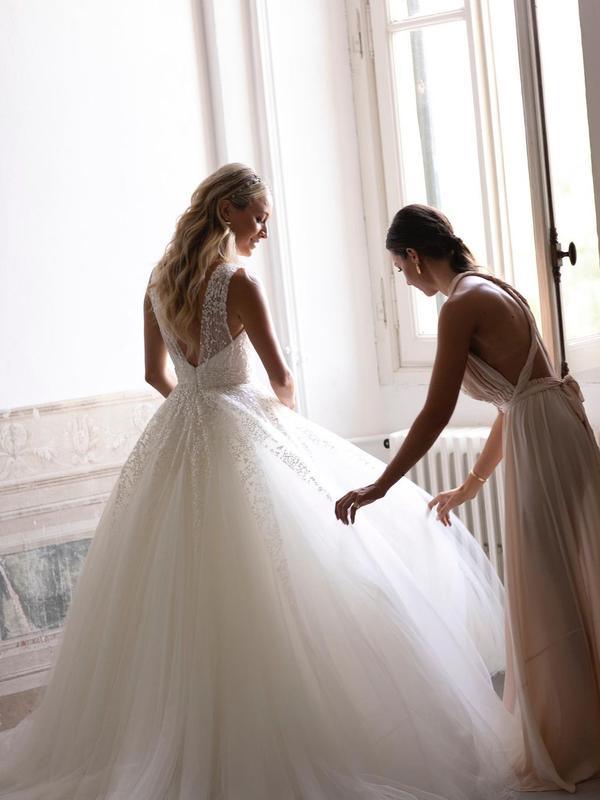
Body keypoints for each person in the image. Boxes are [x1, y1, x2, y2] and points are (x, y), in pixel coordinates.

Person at [0, 171, 520, 800]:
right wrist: (265, 431)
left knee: (180, 594)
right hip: (241, 431)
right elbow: (281, 380)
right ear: (229, 210)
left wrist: (194, 407)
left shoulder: (158, 285)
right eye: (260, 217)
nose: (265, 230)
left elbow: (152, 373)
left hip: (175, 436)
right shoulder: (237, 283)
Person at [336, 202, 600, 793]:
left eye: (400, 270)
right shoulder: (491, 285)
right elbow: (520, 395)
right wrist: (472, 482)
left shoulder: (460, 304)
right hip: (554, 429)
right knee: (575, 573)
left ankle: (573, 736)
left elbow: (436, 409)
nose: (404, 281)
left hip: (546, 439)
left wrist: (382, 483)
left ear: (411, 255)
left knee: (549, 583)